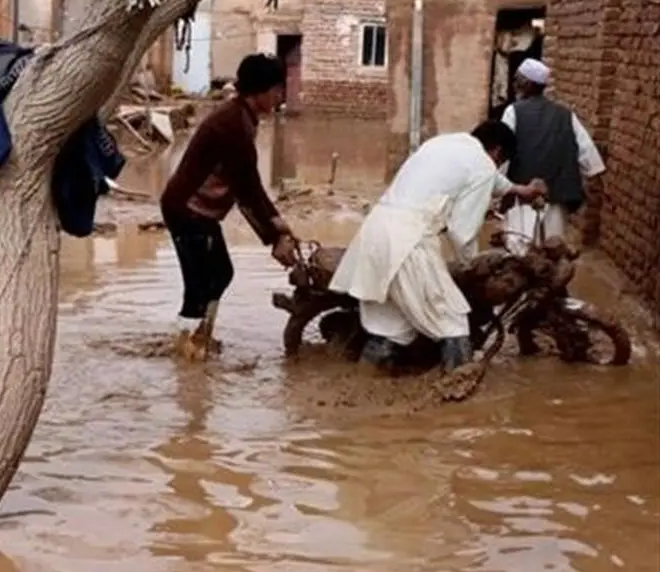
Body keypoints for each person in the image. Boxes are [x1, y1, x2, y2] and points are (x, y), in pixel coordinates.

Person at [329, 121, 546, 372]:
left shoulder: (443, 144)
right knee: (453, 323)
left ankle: (359, 388)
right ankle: (455, 399)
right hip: (410, 243)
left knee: (391, 328)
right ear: (497, 152)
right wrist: (472, 267)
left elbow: (488, 178)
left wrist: (520, 190)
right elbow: (462, 232)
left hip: (375, 233)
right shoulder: (483, 165)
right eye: (500, 161)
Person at [160, 53, 299, 360]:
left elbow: (249, 184)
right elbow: (247, 189)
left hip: (200, 211)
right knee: (199, 283)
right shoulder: (233, 126)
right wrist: (274, 236)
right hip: (187, 210)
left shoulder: (243, 117)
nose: (280, 96)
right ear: (260, 91)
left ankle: (201, 337)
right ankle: (186, 351)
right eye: (277, 90)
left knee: (220, 272)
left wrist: (278, 225)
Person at [499, 58, 605, 255]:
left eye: (517, 80)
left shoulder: (513, 112)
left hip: (523, 195)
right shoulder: (566, 115)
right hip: (557, 196)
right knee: (552, 250)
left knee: (520, 251)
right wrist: (593, 183)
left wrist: (500, 189)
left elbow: (503, 154)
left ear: (528, 84)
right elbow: (588, 155)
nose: (514, 85)